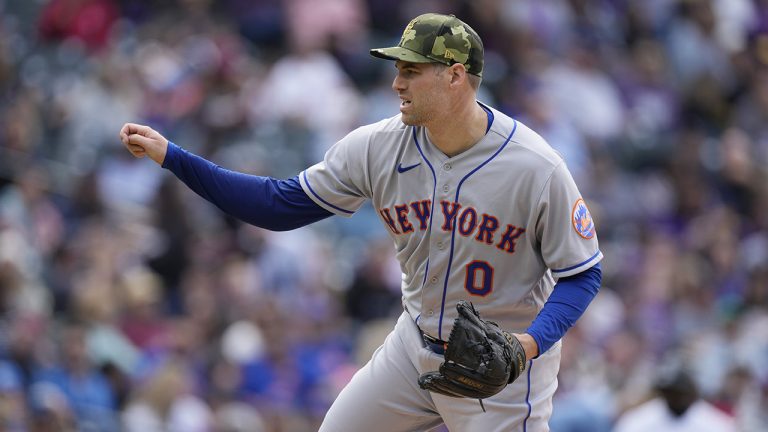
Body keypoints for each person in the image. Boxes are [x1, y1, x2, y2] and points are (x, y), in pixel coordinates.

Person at [120, 13, 603, 432]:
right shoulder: (377, 145)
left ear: (455, 77)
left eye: (411, 71)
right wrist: (174, 158)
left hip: (499, 371)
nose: (396, 83)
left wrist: (529, 344)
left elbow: (583, 274)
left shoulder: (535, 167)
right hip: (414, 343)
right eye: (397, 69)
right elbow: (276, 206)